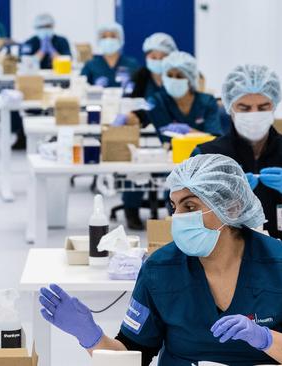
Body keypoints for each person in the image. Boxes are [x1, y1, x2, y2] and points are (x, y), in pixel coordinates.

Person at [38, 154, 282, 365]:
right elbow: (132, 356)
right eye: (175, 206)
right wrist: (90, 337)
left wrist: (266, 339)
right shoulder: (159, 270)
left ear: (231, 208)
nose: (177, 217)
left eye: (190, 205)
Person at [193, 65, 282, 244]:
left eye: (263, 107)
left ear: (274, 106)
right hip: (223, 261)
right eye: (244, 108)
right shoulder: (206, 156)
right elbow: (192, 230)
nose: (254, 115)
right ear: (230, 109)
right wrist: (226, 201)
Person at [119, 33, 178, 231]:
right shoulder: (140, 77)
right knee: (137, 169)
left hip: (173, 131)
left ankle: (175, 212)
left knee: (175, 173)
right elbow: (132, 104)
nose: (158, 61)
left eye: (163, 57)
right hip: (145, 129)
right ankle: (131, 209)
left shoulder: (178, 75)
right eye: (154, 56)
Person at [146, 51, 223, 141]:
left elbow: (215, 140)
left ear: (190, 80)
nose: (173, 80)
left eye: (179, 76)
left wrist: (189, 132)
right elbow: (167, 140)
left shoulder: (207, 102)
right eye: (169, 75)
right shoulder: (158, 102)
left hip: (205, 153)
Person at [81, 22, 139, 87]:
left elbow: (141, 89)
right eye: (104, 37)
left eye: (113, 36)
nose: (108, 40)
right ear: (99, 41)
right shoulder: (91, 65)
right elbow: (80, 88)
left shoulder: (131, 64)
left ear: (120, 40)